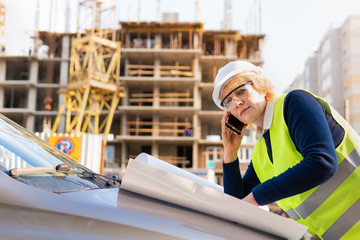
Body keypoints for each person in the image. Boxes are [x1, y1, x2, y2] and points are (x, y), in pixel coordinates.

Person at [212, 60, 360, 239]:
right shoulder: (261, 153)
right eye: (227, 101)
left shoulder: (295, 103)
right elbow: (238, 208)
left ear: (261, 85)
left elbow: (323, 163)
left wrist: (255, 198)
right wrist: (231, 152)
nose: (236, 102)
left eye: (241, 91)